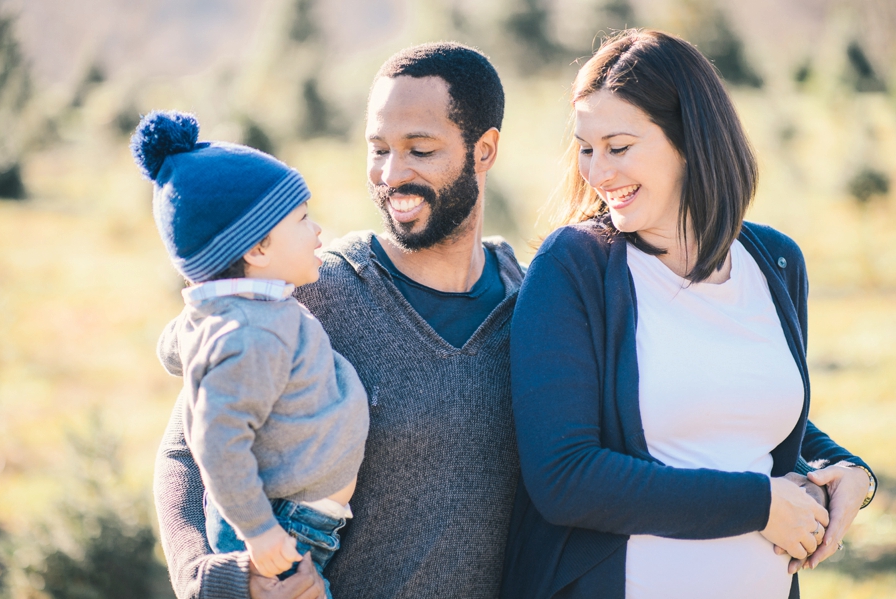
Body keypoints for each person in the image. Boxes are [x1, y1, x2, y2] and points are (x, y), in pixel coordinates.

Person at [501, 29, 877, 599]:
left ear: (690, 140)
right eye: (586, 147)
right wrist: (758, 506)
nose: (597, 173)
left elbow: (742, 414)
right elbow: (565, 476)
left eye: (618, 147)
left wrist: (849, 471)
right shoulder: (576, 267)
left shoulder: (775, 261)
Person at [153, 42, 525, 599]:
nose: (391, 174)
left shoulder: (530, 300)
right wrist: (218, 580)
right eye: (378, 150)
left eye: (419, 150)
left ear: (484, 151)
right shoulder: (312, 293)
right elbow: (186, 450)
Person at [132, 110, 370, 598]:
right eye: (303, 220)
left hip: (290, 521)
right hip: (282, 530)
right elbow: (217, 444)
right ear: (259, 247)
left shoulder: (224, 313)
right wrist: (261, 533)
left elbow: (174, 348)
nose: (319, 231)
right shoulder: (249, 333)